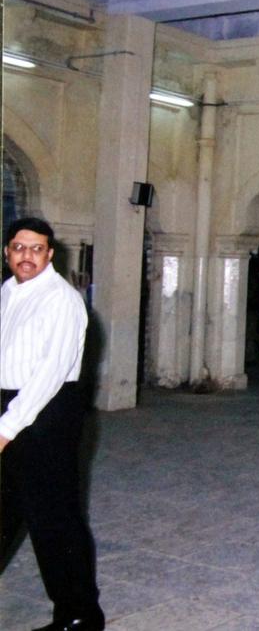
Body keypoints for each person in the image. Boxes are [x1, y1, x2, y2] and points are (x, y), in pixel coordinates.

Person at [0, 217, 105, 631]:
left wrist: (7, 428)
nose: (26, 256)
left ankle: (79, 615)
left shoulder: (62, 299)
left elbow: (49, 374)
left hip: (47, 413)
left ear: (50, 254)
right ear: (7, 252)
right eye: (19, 247)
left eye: (36, 248)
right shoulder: (8, 292)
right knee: (7, 506)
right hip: (11, 403)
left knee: (53, 517)